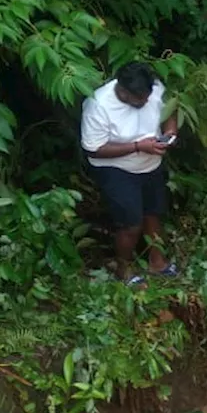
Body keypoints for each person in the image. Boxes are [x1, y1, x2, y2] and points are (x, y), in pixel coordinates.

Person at [80, 61, 179, 284]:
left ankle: (157, 262)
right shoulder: (98, 105)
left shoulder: (153, 89)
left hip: (151, 165)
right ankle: (124, 267)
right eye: (140, 100)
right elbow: (93, 150)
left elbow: (170, 109)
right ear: (123, 92)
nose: (146, 102)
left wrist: (170, 131)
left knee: (153, 214)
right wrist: (137, 147)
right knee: (131, 224)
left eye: (147, 97)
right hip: (117, 170)